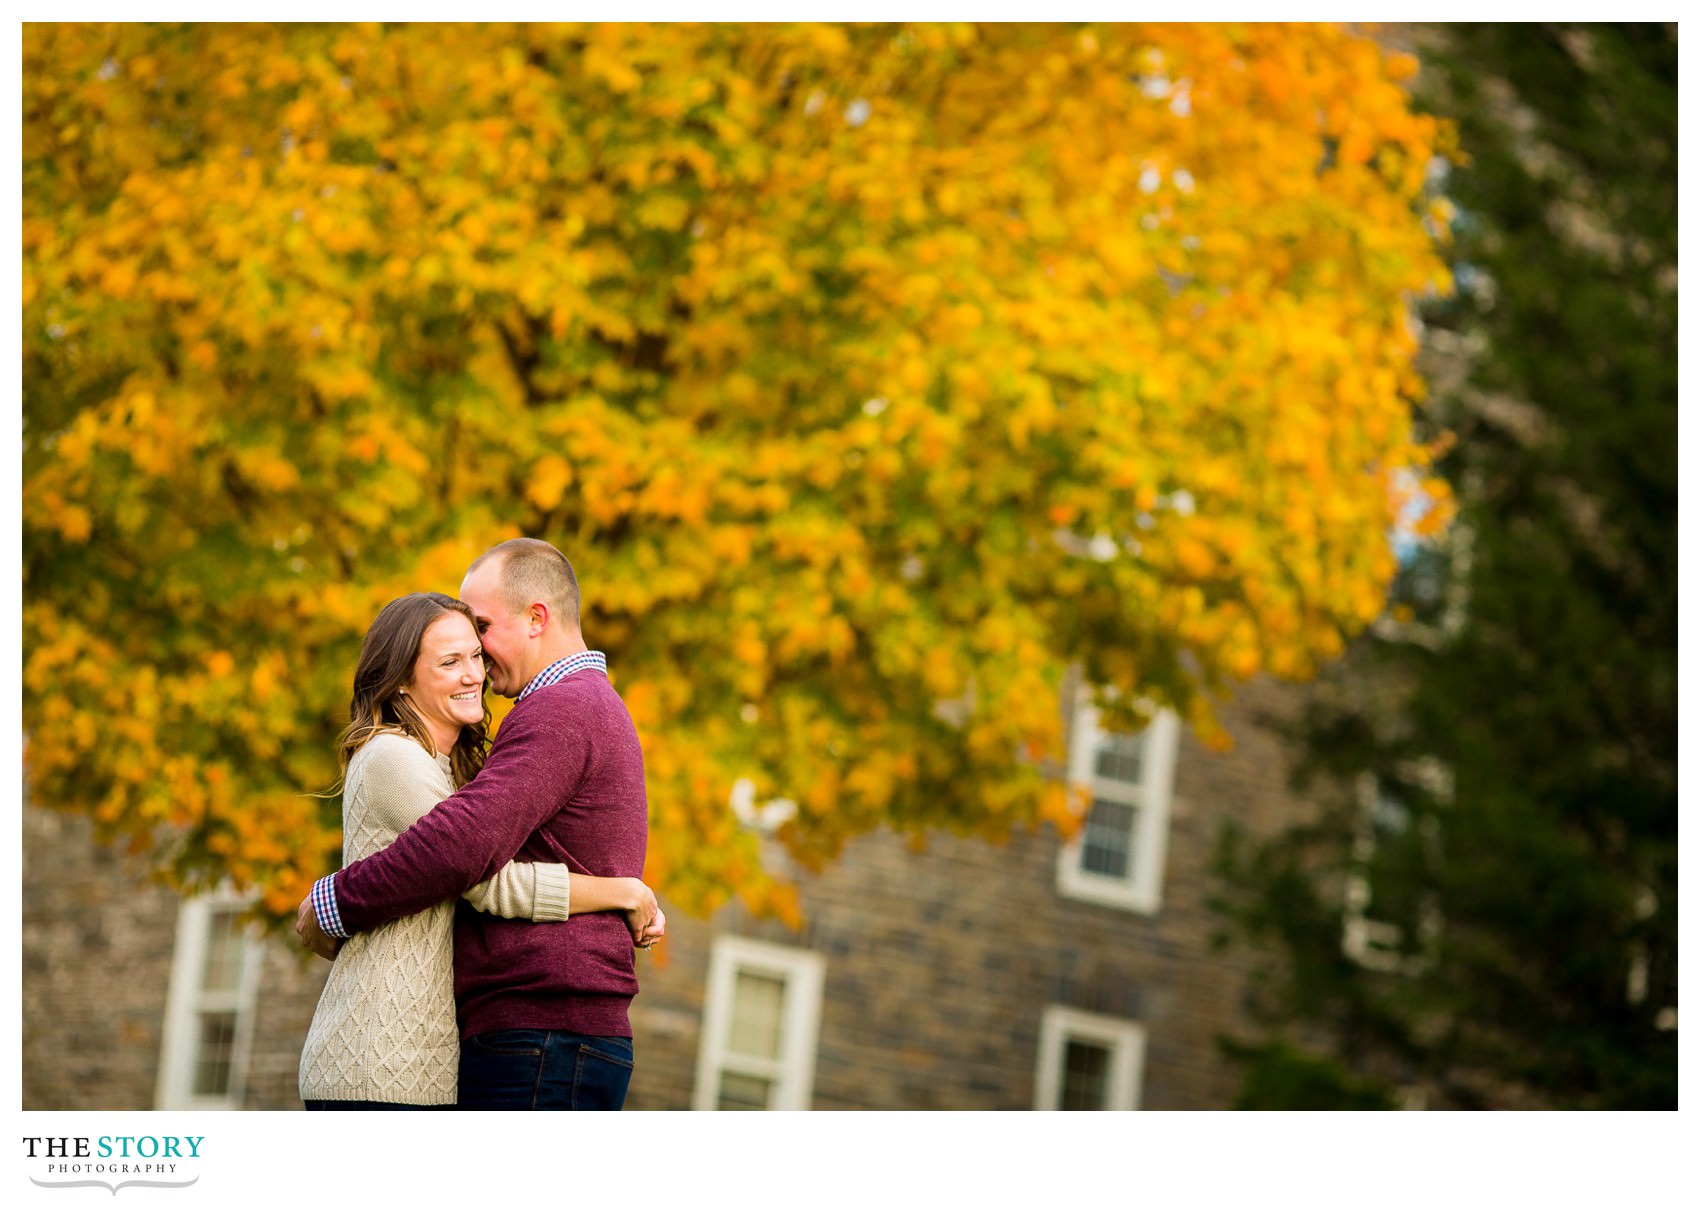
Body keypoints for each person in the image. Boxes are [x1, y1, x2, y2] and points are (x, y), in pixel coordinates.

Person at [297, 539, 658, 1110]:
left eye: (482, 629)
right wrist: (621, 893)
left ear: (536, 618)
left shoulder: (562, 709)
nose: (479, 662)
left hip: (544, 1031)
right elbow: (473, 856)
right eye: (452, 657)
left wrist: (333, 901)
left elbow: (464, 851)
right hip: (536, 1031)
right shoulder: (574, 707)